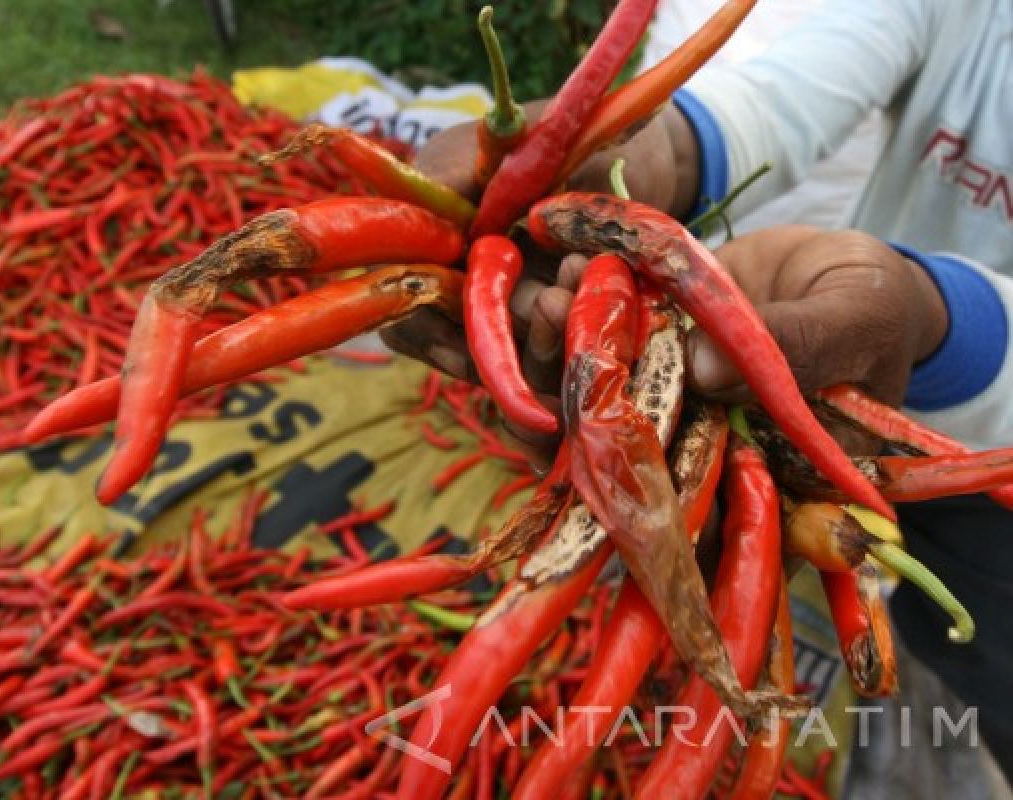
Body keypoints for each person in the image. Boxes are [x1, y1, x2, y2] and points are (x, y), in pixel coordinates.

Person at [380, 0, 1013, 781]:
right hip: (855, 378)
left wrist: (939, 322)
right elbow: (779, 96)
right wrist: (649, 155)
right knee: (837, 593)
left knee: (993, 668)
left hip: (935, 406)